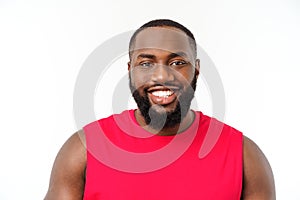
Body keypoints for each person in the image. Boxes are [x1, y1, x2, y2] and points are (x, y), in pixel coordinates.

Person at [44, 19, 276, 199]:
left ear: (196, 70)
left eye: (177, 63)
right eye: (146, 63)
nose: (162, 76)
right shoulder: (83, 149)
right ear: (130, 70)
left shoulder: (244, 156)